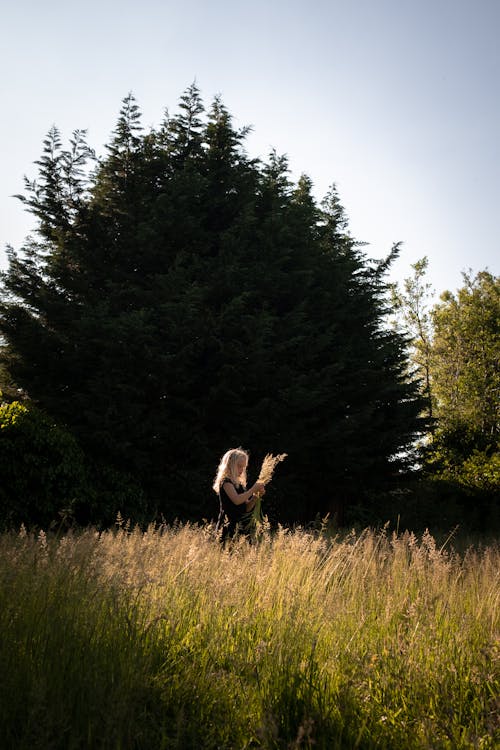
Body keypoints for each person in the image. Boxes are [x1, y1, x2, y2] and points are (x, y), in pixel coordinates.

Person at [213, 448, 265, 541]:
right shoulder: (225, 482)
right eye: (239, 466)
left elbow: (247, 507)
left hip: (240, 526)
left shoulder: (239, 485)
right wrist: (253, 489)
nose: (242, 470)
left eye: (243, 467)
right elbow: (236, 500)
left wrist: (256, 495)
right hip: (227, 526)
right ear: (229, 465)